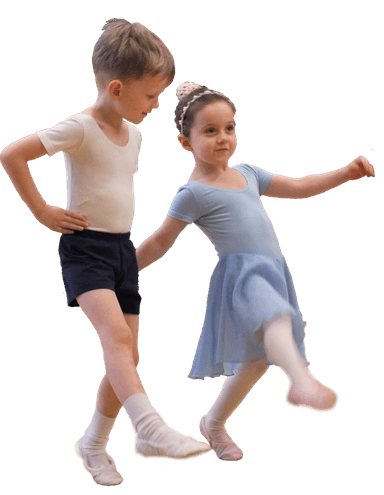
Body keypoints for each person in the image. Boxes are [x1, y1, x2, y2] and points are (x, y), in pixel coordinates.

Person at [0, 24, 210, 486]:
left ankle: (93, 444)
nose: (156, 107)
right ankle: (149, 426)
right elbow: (12, 154)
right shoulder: (80, 127)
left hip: (122, 251)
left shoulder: (132, 135)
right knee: (116, 338)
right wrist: (42, 210)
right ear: (116, 89)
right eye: (151, 97)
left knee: (127, 356)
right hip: (86, 249)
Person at [135, 81, 375, 463]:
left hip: (273, 270)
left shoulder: (248, 173)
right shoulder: (192, 193)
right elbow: (161, 241)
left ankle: (213, 423)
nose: (223, 138)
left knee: (256, 361)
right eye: (210, 131)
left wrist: (344, 173)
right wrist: (121, 271)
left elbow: (298, 187)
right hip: (242, 275)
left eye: (229, 128)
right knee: (275, 318)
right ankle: (302, 382)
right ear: (186, 143)